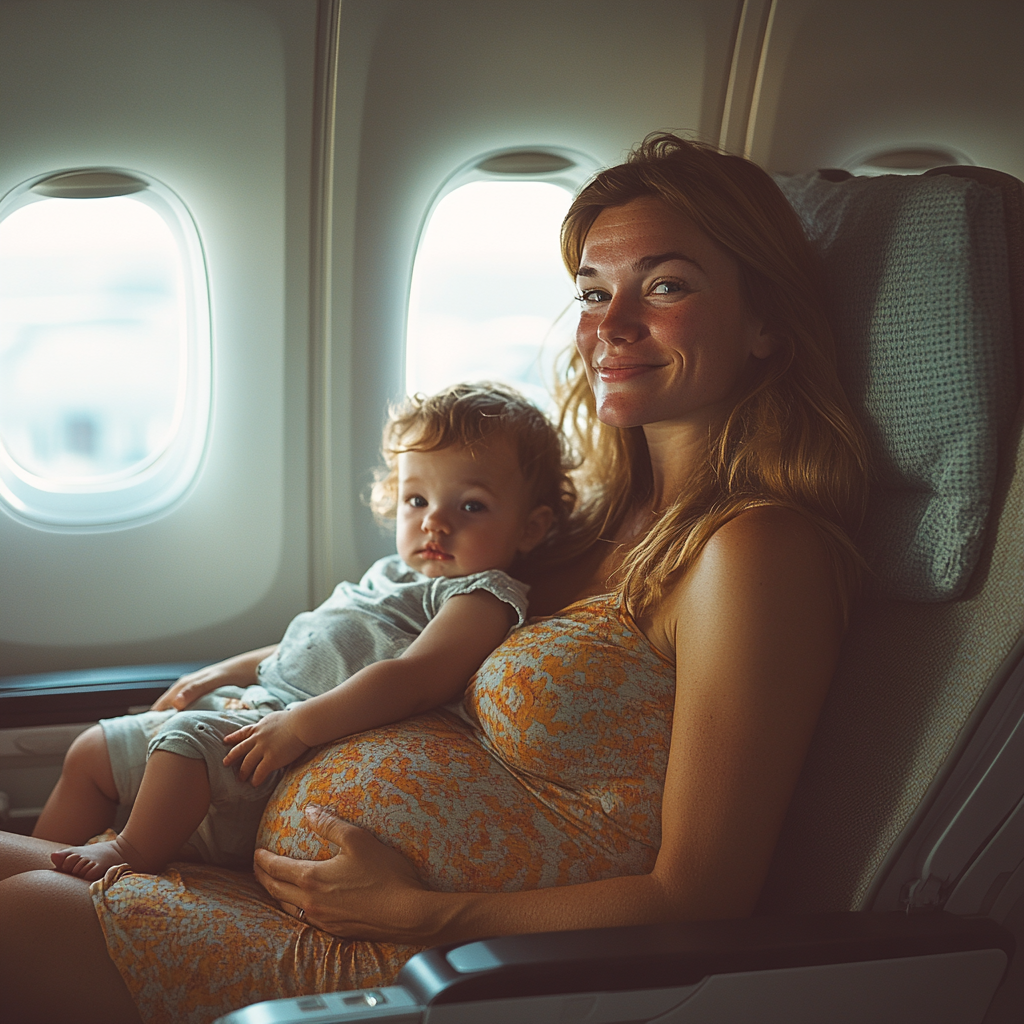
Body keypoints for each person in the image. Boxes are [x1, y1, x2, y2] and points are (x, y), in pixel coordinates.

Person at [0, 133, 869, 1024]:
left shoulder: (753, 549)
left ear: (766, 321)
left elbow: (698, 895)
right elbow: (391, 629)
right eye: (594, 291)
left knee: (14, 916)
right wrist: (242, 681)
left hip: (442, 960)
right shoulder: (579, 524)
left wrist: (427, 912)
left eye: (667, 285)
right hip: (287, 878)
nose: (609, 327)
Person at [33, 383, 570, 883]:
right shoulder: (394, 575)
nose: (434, 522)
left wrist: (299, 726)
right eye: (417, 500)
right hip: (259, 706)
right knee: (90, 750)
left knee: (184, 746)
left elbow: (417, 677)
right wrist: (220, 671)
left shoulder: (480, 596)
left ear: (531, 527)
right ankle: (37, 860)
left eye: (471, 506)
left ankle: (131, 854)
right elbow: (306, 644)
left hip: (292, 749)